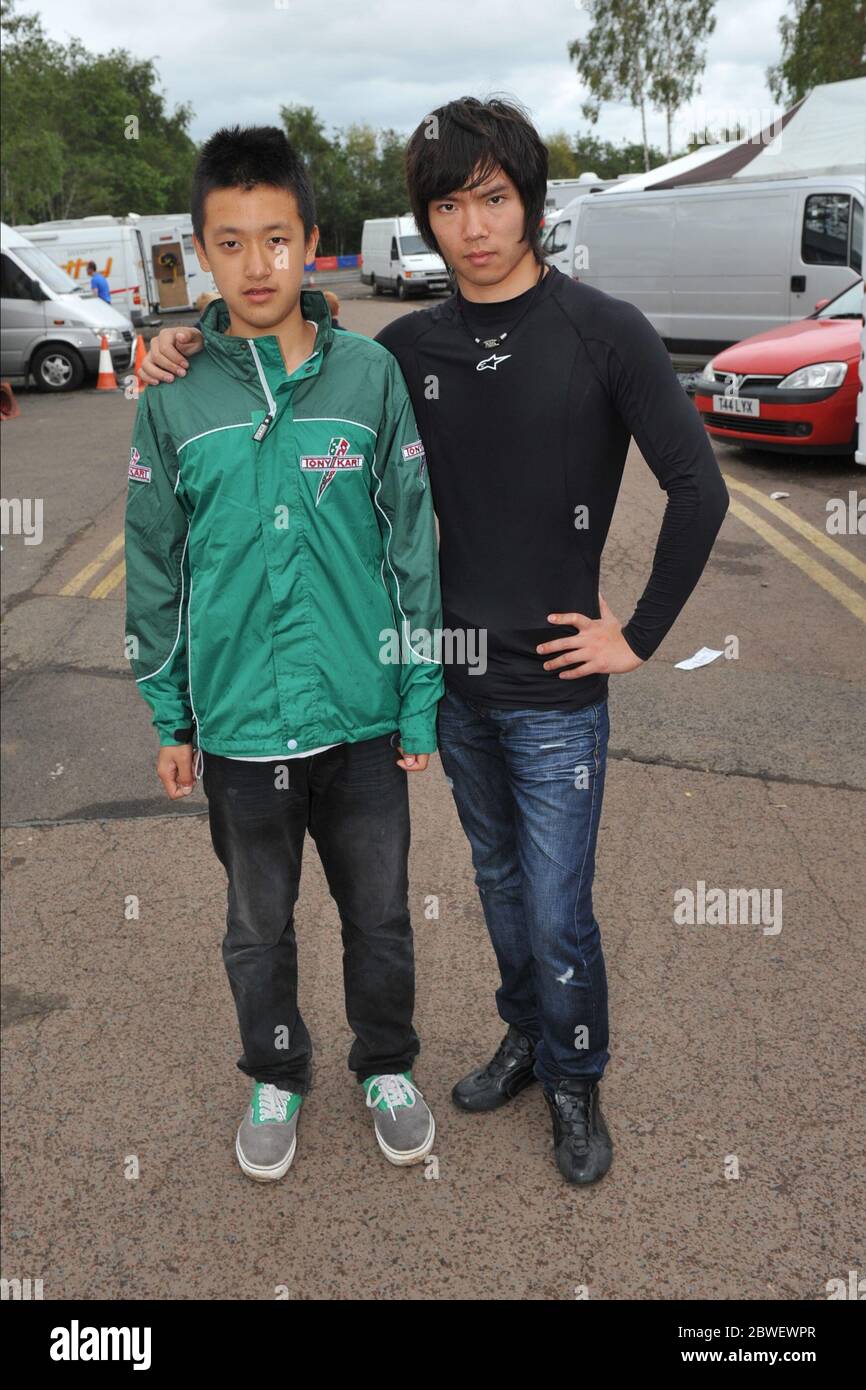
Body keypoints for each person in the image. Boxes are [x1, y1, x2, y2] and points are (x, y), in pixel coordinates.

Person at [137, 98, 730, 1187]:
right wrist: (178, 345)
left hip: (556, 694)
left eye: (493, 198)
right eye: (447, 204)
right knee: (501, 887)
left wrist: (635, 636)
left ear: (531, 203)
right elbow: (287, 361)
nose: (472, 225)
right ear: (426, 219)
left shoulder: (605, 330)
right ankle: (521, 1035)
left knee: (557, 908)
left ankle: (573, 1074)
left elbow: (696, 487)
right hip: (449, 686)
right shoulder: (401, 350)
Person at [124, 125, 444, 1183]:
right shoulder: (172, 395)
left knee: (382, 917)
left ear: (313, 243)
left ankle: (385, 1062)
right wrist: (169, 717)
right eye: (230, 243)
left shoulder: (368, 377)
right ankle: (275, 1069)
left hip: (359, 722)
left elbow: (412, 542)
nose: (255, 266)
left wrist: (416, 698)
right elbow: (155, 561)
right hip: (242, 728)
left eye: (275, 239)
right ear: (200, 252)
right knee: (256, 928)